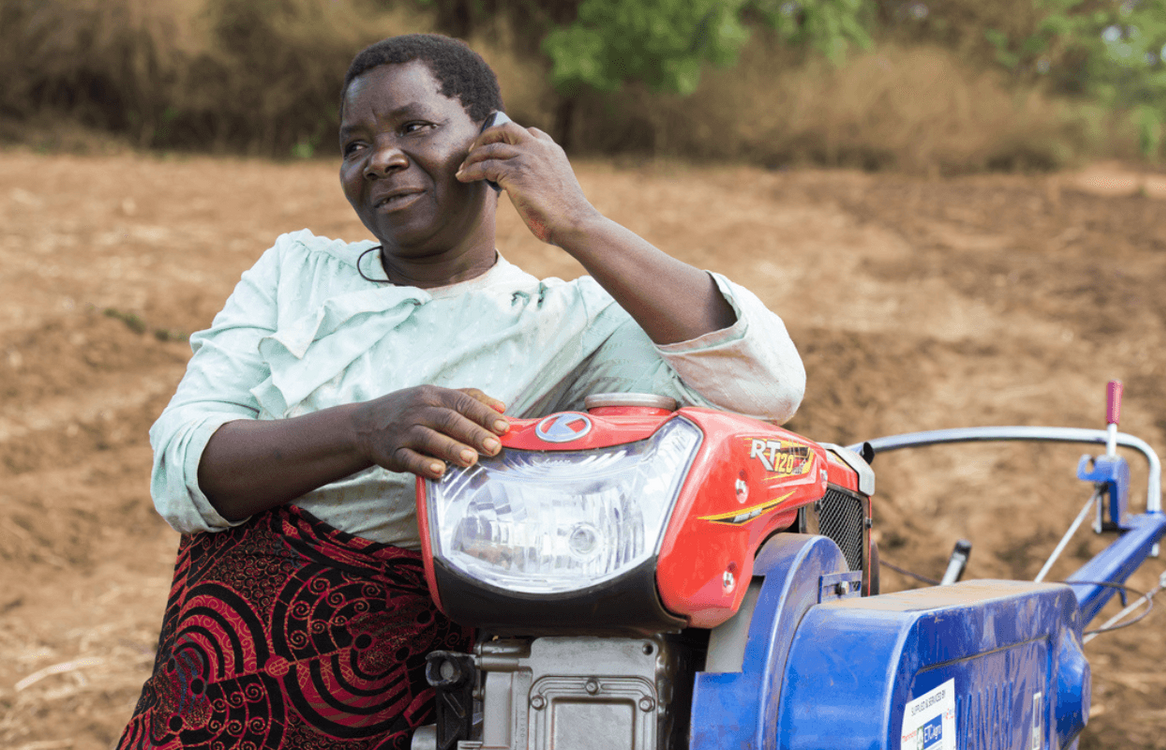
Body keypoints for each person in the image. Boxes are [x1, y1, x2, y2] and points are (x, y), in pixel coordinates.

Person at [117, 33, 805, 749]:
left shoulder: (565, 323)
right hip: (200, 699)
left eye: (414, 128)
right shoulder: (296, 272)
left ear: (493, 143)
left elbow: (767, 384)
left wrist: (577, 221)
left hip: (382, 709)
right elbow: (182, 469)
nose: (380, 159)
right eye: (355, 145)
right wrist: (364, 430)